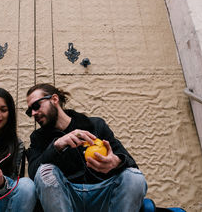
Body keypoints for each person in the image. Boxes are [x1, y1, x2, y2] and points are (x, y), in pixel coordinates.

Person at [25, 83, 147, 212]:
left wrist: (115, 162)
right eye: (29, 111)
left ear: (54, 99)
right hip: (67, 198)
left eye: (36, 106)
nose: (33, 113)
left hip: (103, 195)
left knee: (134, 177)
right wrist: (57, 146)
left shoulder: (95, 125)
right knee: (44, 170)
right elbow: (34, 174)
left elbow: (132, 165)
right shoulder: (38, 137)